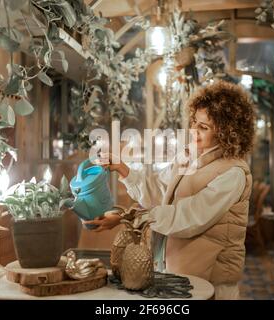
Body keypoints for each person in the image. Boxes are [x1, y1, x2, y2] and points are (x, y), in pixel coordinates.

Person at [85, 81, 255, 300]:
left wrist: (127, 218)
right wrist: (123, 169)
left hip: (210, 283)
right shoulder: (190, 155)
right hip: (178, 272)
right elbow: (160, 190)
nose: (194, 132)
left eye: (204, 127)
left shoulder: (233, 173)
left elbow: (188, 217)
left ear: (228, 132)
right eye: (194, 122)